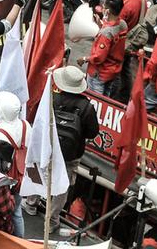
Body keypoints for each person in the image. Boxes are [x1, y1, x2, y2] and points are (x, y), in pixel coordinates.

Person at [43, 66, 100, 234]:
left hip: (49, 147)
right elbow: (93, 132)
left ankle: (31, 203)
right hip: (71, 154)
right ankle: (52, 219)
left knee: (42, 173)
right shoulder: (86, 107)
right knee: (63, 185)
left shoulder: (52, 98)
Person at [0, 92, 29, 237]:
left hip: (4, 182)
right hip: (21, 177)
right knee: (17, 212)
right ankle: (21, 241)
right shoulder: (25, 125)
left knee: (1, 215)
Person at [80, 0, 126, 96]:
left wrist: (84, 59)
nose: (102, 9)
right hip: (113, 70)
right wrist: (101, 25)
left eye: (104, 7)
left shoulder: (105, 33)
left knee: (94, 98)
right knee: (106, 96)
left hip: (99, 72)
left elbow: (99, 57)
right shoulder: (123, 24)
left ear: (107, 11)